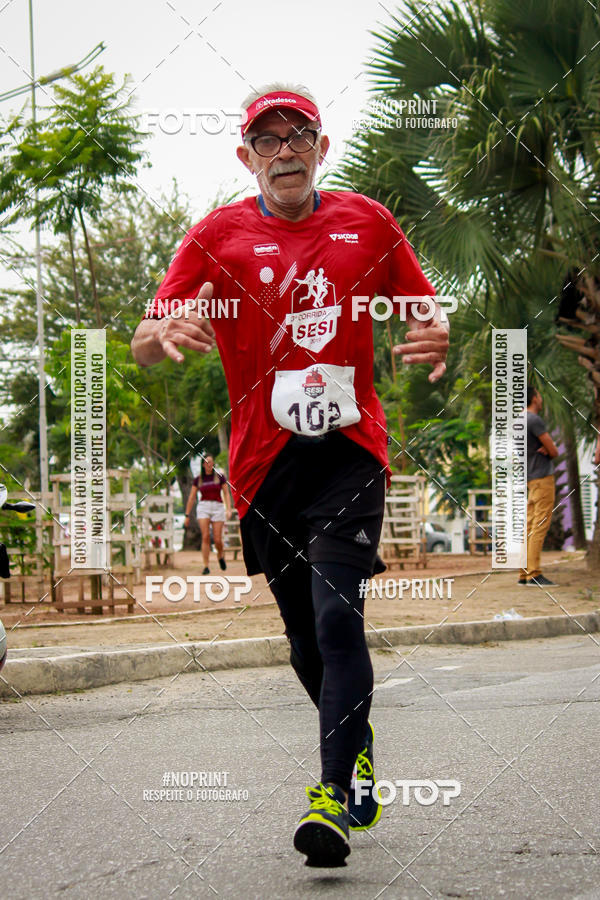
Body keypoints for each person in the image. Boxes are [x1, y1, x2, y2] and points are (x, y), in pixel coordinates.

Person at [131, 83, 449, 868]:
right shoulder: (216, 235)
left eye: (298, 135)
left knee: (339, 619)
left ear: (321, 148)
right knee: (305, 637)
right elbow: (143, 336)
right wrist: (160, 334)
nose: (285, 151)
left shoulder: (368, 223)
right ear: (247, 156)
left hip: (349, 451)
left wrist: (435, 330)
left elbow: (425, 308)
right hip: (263, 466)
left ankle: (331, 794)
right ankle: (358, 746)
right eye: (267, 140)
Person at [518, 387, 559, 587]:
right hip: (542, 477)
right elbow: (554, 451)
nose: (541, 399)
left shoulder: (518, 421)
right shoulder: (534, 420)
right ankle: (534, 573)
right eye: (539, 396)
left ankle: (524, 573)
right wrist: (548, 449)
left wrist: (544, 448)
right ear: (534, 398)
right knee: (539, 526)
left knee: (529, 526)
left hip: (530, 477)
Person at [185, 455, 232, 574]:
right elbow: (192, 497)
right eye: (206, 462)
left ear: (213, 463)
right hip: (204, 507)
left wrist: (228, 509)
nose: (209, 464)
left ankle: (220, 555)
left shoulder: (220, 477)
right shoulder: (198, 479)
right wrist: (187, 515)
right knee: (205, 536)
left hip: (218, 507)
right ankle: (206, 566)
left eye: (211, 462)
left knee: (217, 539)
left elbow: (226, 493)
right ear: (203, 464)